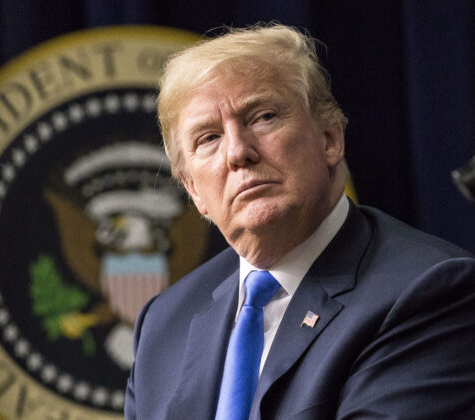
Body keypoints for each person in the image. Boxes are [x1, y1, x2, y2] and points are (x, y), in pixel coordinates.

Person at [124, 23, 475, 419]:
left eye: (264, 116)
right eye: (208, 138)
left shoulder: (429, 293)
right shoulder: (163, 322)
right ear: (193, 191)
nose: (238, 152)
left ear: (330, 138)